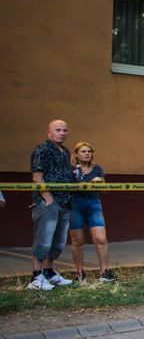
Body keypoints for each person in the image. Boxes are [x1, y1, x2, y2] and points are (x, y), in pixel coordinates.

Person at [29, 120, 75, 290]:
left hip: (65, 203)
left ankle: (48, 273)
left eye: (65, 130)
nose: (62, 133)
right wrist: (48, 198)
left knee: (58, 242)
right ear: (49, 132)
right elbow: (37, 176)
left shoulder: (65, 152)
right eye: (58, 130)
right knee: (43, 240)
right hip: (48, 202)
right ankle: (36, 277)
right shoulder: (43, 149)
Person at [68, 142, 114, 283]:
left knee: (101, 239)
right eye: (83, 151)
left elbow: (104, 189)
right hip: (75, 205)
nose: (87, 153)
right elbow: (65, 187)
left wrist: (99, 183)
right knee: (77, 241)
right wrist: (77, 185)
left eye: (89, 151)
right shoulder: (70, 169)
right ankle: (80, 273)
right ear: (76, 154)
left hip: (94, 204)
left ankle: (104, 272)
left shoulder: (96, 169)